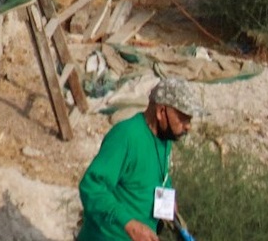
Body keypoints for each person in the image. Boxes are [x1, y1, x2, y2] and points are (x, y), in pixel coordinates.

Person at [77, 77, 203, 241]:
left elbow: (154, 179)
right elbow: (92, 186)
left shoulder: (164, 140)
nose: (188, 126)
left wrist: (168, 205)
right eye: (183, 117)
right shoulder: (126, 136)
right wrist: (129, 224)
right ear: (161, 112)